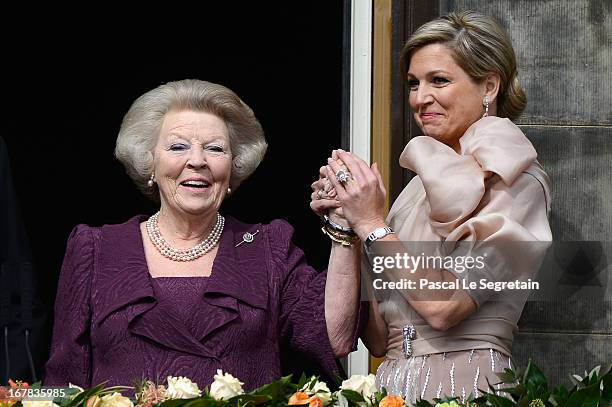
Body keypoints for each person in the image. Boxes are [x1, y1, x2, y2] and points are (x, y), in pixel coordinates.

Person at [44, 79, 362, 390]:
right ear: (149, 162)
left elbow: (335, 337)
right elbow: (62, 382)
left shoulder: (267, 248)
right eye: (178, 146)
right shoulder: (96, 249)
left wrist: (343, 226)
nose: (197, 161)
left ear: (233, 168)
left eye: (215, 149)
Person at [311, 11, 552, 404]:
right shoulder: (414, 192)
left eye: (439, 80)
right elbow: (372, 338)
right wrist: (347, 226)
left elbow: (444, 308)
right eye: (413, 83)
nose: (420, 98)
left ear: (489, 85)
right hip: (393, 386)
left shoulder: (516, 178)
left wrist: (372, 221)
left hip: (469, 383)